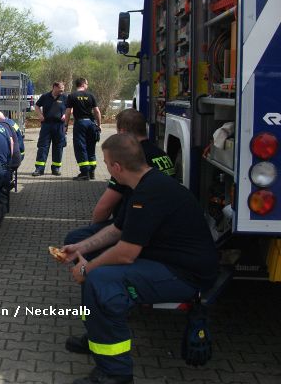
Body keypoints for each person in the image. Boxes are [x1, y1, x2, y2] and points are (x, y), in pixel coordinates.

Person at [62, 134, 218, 384]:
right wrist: (79, 247)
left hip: (185, 275)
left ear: (116, 167)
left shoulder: (150, 193)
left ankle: (115, 374)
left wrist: (87, 268)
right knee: (92, 266)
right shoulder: (144, 185)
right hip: (166, 261)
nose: (105, 165)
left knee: (100, 279)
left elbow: (125, 253)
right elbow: (117, 230)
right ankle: (96, 336)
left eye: (105, 161)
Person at [64, 108, 176, 248]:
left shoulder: (132, 158)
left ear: (122, 132)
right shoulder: (160, 154)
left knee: (76, 238)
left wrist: (92, 230)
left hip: (139, 226)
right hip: (163, 223)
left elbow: (106, 206)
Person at [66, 77, 102, 180]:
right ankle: (91, 172)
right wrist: (99, 125)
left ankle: (84, 172)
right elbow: (97, 112)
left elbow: (68, 112)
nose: (87, 85)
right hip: (91, 123)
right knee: (91, 146)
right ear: (83, 84)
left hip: (80, 123)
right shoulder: (91, 95)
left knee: (80, 147)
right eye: (87, 84)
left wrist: (66, 125)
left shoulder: (72, 96)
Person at [32, 81, 69, 176]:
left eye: (63, 90)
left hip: (59, 126)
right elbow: (36, 106)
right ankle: (39, 169)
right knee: (43, 147)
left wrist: (65, 115)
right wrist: (40, 115)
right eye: (60, 90)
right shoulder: (45, 96)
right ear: (54, 87)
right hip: (46, 125)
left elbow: (70, 108)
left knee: (58, 147)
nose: (62, 92)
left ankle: (56, 168)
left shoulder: (65, 97)